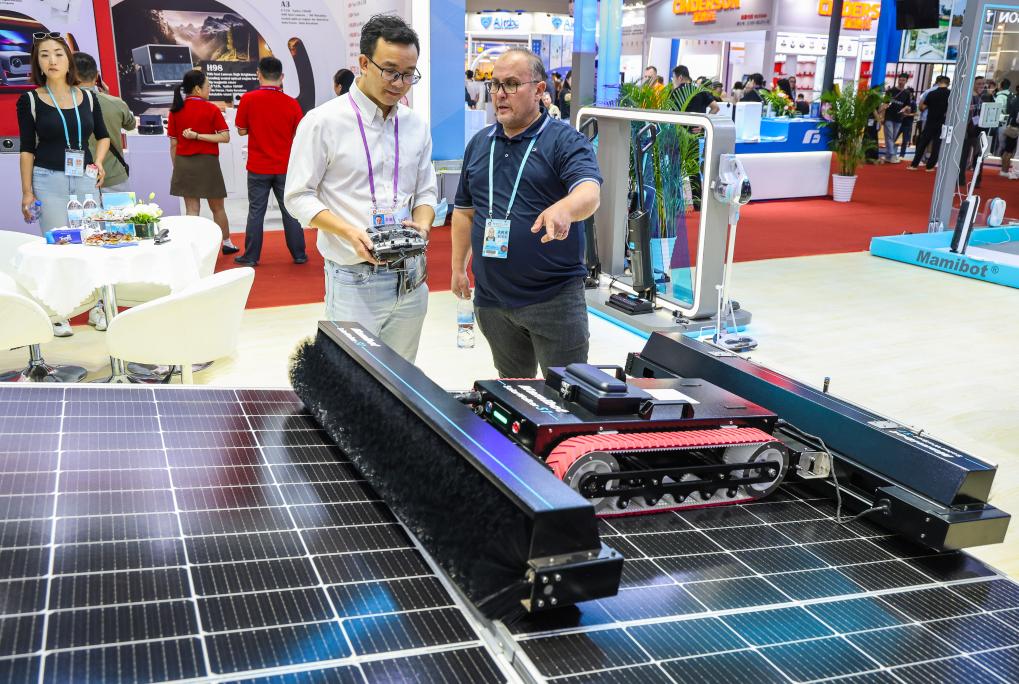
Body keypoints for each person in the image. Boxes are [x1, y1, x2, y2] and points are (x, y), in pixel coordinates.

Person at [284, 14, 436, 362]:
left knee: (400, 378)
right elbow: (297, 196)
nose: (399, 83)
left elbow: (426, 191)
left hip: (411, 276)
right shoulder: (323, 121)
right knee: (352, 378)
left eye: (409, 74)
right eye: (390, 71)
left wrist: (423, 225)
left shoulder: (415, 125)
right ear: (364, 63)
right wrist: (348, 232)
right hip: (354, 279)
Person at [451, 48, 602, 379]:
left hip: (553, 301)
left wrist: (564, 208)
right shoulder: (479, 144)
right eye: (495, 84)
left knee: (566, 392)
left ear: (539, 90)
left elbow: (589, 193)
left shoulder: (564, 140)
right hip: (492, 300)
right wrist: (458, 268)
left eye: (511, 84)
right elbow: (464, 212)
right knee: (513, 389)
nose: (499, 94)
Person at [18, 34, 110, 338]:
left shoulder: (89, 97)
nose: (52, 60)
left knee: (91, 242)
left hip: (85, 177)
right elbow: (27, 149)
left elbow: (103, 136)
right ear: (38, 63)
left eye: (58, 54)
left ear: (69, 61)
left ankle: (97, 307)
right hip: (48, 180)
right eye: (44, 55)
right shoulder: (30, 100)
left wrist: (98, 162)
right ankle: (59, 313)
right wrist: (27, 191)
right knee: (58, 246)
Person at [233, 56, 306, 267]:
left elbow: (241, 130)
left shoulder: (248, 99)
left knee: (256, 211)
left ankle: (251, 256)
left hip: (258, 166)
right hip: (285, 166)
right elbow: (299, 134)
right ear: (282, 77)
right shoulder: (292, 103)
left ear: (258, 74)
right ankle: (299, 254)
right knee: (290, 211)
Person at [167, 69, 236, 254]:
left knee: (191, 209)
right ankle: (227, 243)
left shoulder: (175, 111)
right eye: (208, 85)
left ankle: (193, 248)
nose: (210, 89)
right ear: (198, 88)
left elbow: (173, 144)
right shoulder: (211, 109)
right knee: (218, 208)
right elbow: (225, 137)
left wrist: (177, 167)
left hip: (183, 163)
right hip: (208, 163)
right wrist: (199, 136)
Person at [72, 52, 134, 194]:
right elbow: (130, 125)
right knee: (122, 210)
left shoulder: (61, 106)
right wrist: (108, 97)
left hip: (76, 180)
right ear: (97, 76)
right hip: (114, 178)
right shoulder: (116, 103)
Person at [908, 76, 950, 172]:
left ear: (938, 82)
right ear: (948, 83)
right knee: (937, 145)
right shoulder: (951, 94)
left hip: (930, 121)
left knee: (923, 143)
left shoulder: (931, 93)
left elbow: (922, 107)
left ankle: (914, 165)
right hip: (943, 122)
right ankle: (930, 167)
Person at [960, 76, 989, 190]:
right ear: (973, 84)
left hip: (980, 131)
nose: (981, 86)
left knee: (979, 157)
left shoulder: (986, 97)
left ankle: (977, 181)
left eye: (983, 84)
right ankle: (960, 179)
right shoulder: (967, 98)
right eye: (979, 83)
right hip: (967, 131)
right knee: (963, 156)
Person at [882, 72, 914, 163]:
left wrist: (905, 109)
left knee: (893, 137)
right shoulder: (890, 91)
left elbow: (908, 106)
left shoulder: (907, 93)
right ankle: (892, 155)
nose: (901, 82)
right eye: (900, 79)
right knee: (889, 136)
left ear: (906, 81)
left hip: (899, 118)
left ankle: (888, 156)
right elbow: (885, 104)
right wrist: (882, 117)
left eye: (903, 80)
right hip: (889, 117)